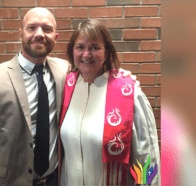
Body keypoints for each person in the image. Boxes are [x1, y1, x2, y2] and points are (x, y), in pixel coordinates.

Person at [0, 8, 135, 186]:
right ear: (20, 33)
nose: (39, 34)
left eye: (47, 29)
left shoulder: (65, 71)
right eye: (32, 28)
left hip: (55, 180)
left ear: (56, 37)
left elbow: (93, 71)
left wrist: (118, 77)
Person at [58, 19, 161, 186]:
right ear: (72, 52)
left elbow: (147, 158)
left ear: (106, 53)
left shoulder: (129, 94)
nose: (86, 54)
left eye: (95, 47)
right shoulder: (66, 87)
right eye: (80, 47)